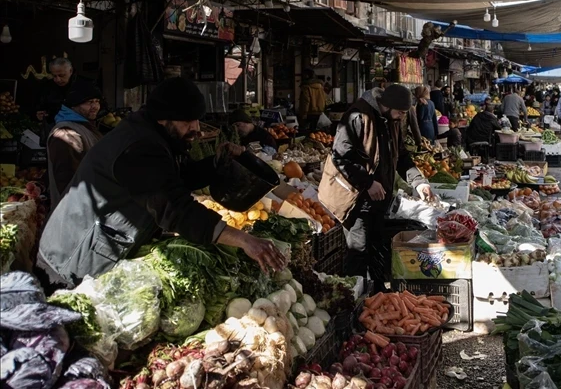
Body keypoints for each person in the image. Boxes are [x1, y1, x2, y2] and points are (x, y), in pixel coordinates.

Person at [37, 77, 285, 289]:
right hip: (72, 259)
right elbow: (174, 208)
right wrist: (243, 240)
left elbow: (179, 177)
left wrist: (217, 163)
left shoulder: (156, 136)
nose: (196, 129)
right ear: (164, 118)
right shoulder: (138, 147)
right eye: (188, 121)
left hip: (96, 248)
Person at [318, 85, 433, 286]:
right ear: (386, 105)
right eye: (400, 112)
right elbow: (340, 158)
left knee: (378, 251)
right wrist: (368, 182)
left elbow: (402, 155)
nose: (401, 117)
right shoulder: (357, 116)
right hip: (357, 200)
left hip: (380, 201)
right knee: (358, 252)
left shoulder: (391, 119)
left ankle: (378, 297)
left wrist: (419, 182)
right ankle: (354, 303)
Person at [47, 81, 104, 210]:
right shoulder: (66, 133)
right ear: (74, 105)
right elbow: (68, 181)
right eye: (89, 102)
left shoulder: (85, 126)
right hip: (75, 211)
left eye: (97, 101)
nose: (95, 106)